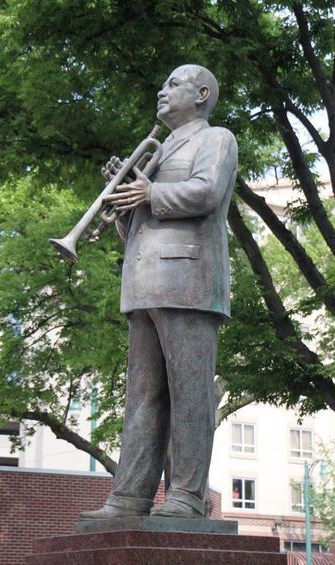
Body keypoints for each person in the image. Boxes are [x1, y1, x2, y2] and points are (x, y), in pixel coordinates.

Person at [80, 64, 238, 519]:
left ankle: (188, 496)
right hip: (144, 283)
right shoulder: (161, 148)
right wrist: (123, 196)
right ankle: (129, 495)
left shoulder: (217, 139)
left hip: (190, 282)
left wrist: (148, 192)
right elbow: (135, 229)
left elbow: (207, 193)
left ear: (203, 93)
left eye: (173, 84)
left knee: (190, 393)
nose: (161, 90)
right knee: (143, 395)